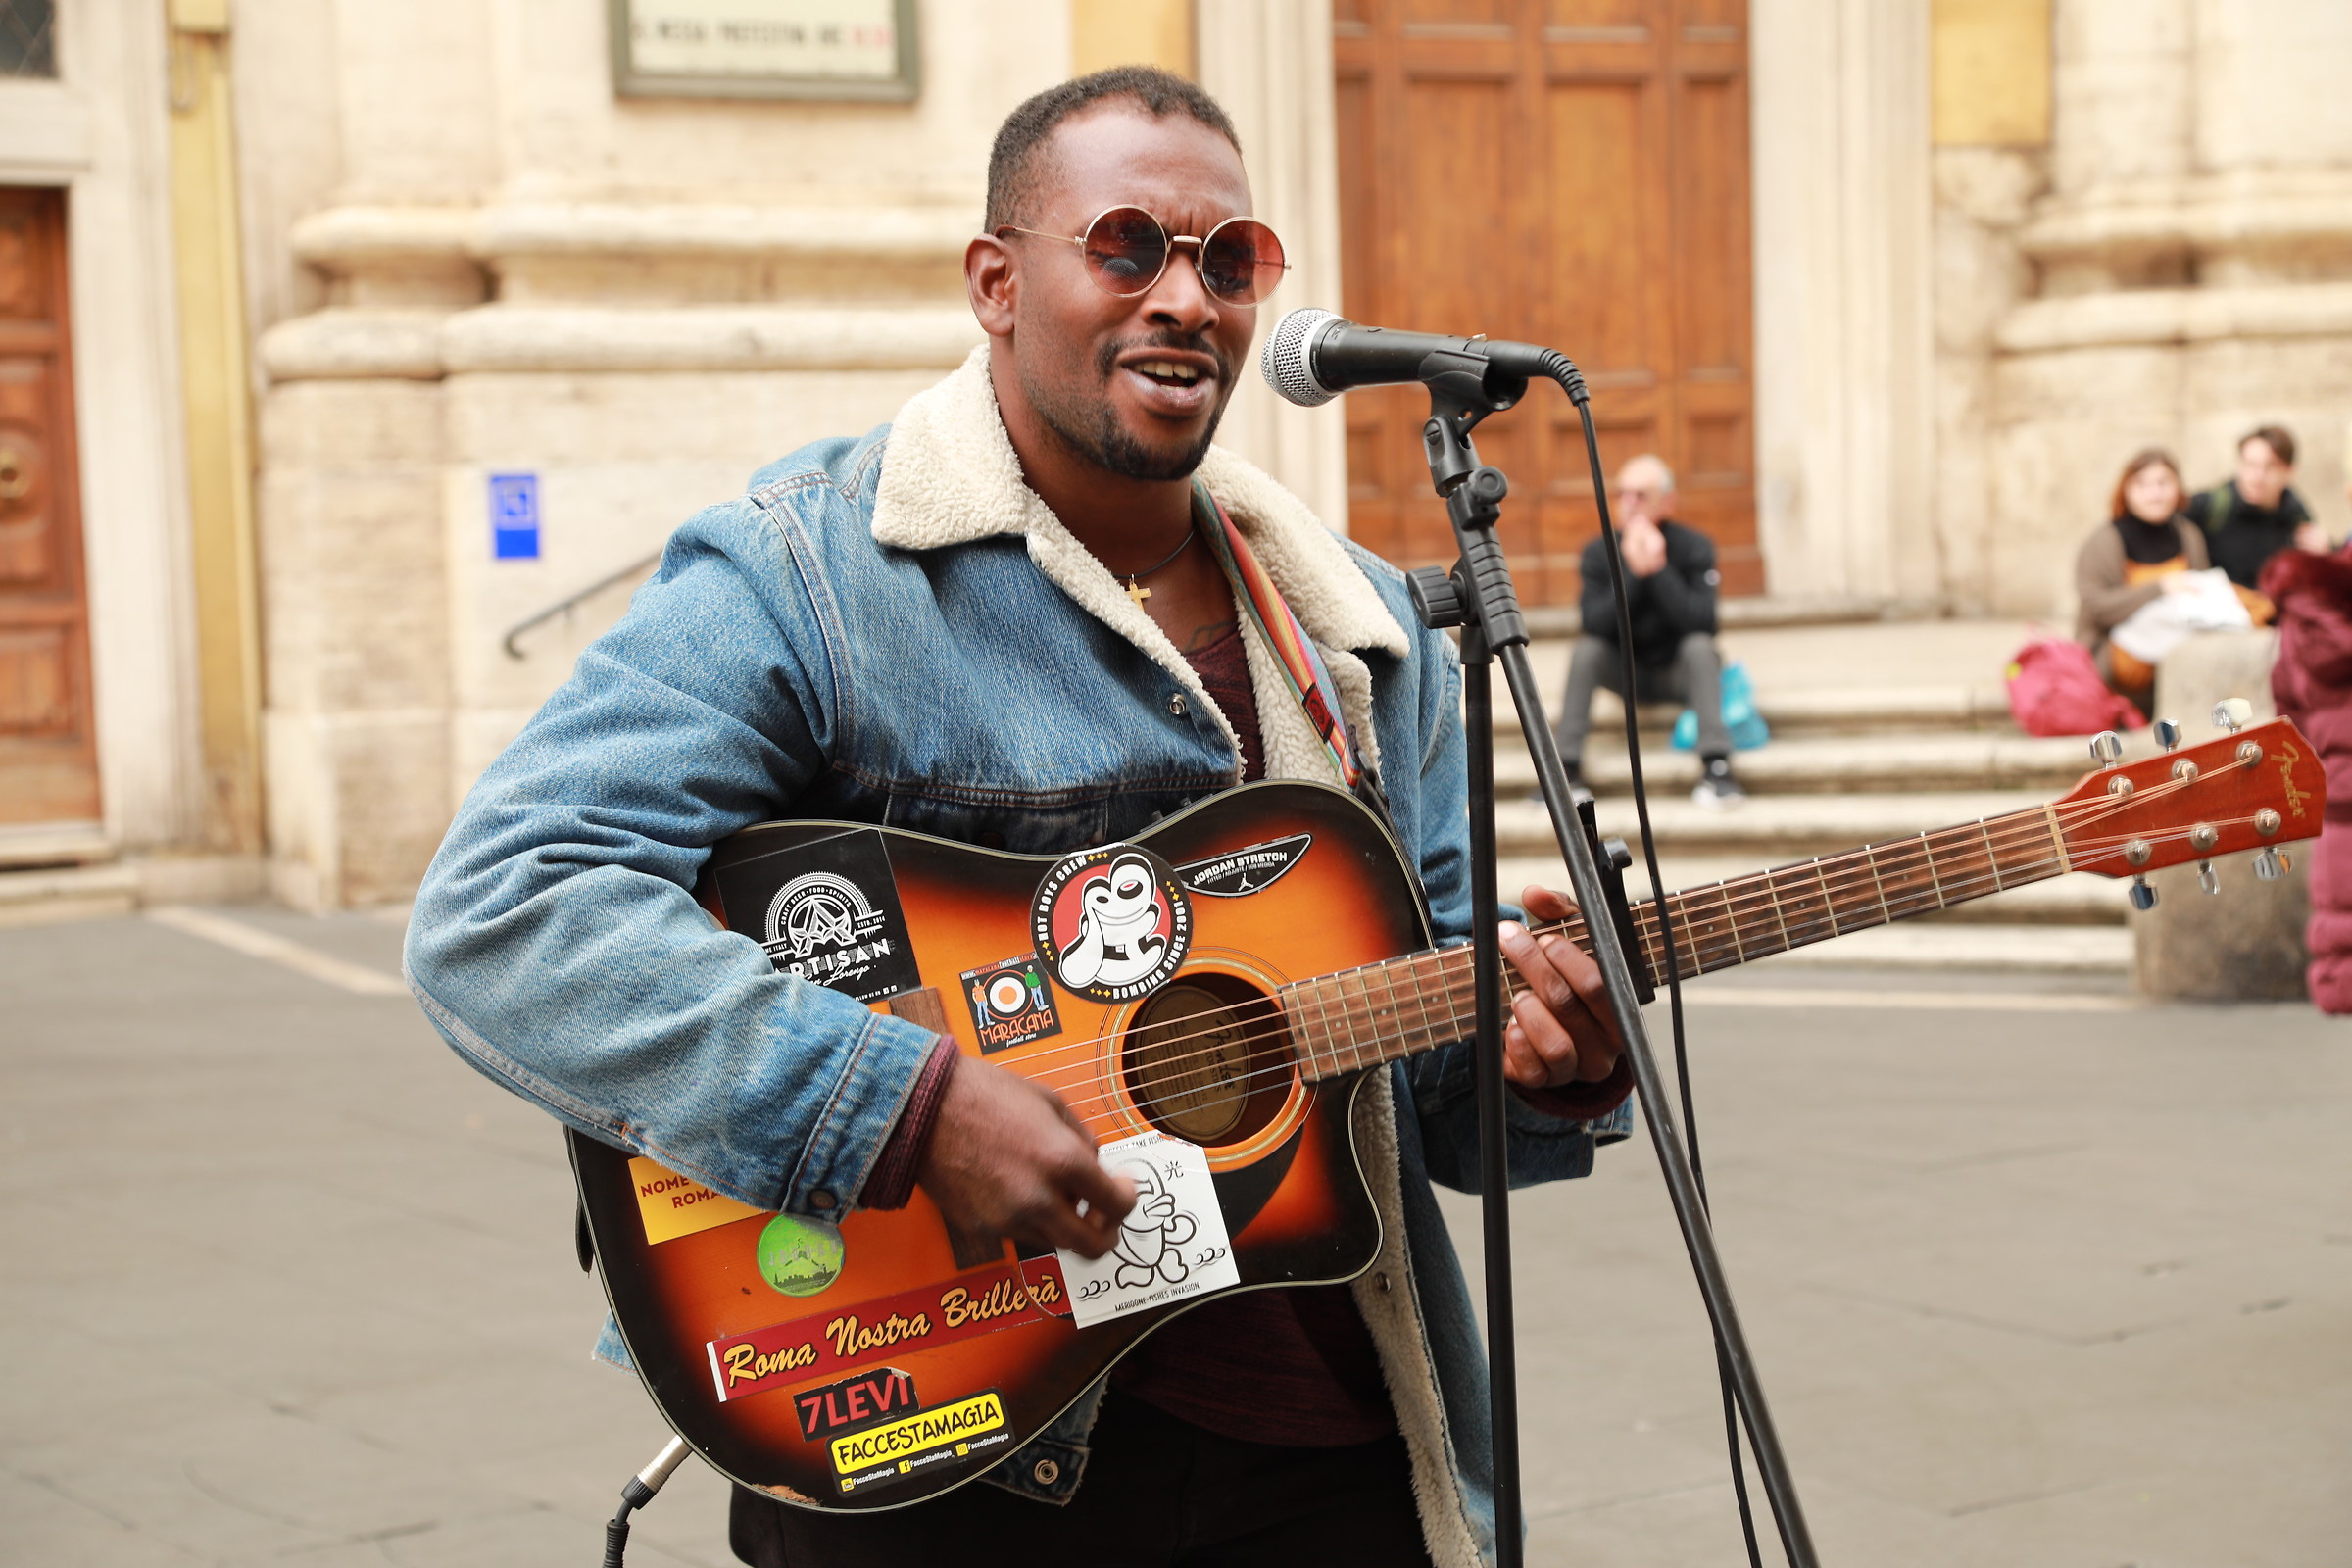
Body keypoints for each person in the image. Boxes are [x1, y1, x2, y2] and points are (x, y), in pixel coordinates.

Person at [405, 69, 1633, 1568]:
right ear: (996, 281)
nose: (1187, 296)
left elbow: (1422, 1078)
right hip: (957, 1450)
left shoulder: (1360, 629)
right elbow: (509, 906)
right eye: (1128, 246)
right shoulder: (815, 574)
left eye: (1228, 259)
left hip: (1335, 1450)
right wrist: (900, 1108)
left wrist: (1547, 1065)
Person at [1550, 454, 1744, 806]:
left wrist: (1659, 570)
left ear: (1666, 502)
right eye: (1622, 494)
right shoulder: (1599, 552)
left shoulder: (1694, 546)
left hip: (1678, 672)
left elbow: (1704, 621)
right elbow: (1594, 624)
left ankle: (1716, 767)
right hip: (1625, 673)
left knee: (1702, 648)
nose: (1628, 504)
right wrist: (1635, 576)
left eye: (1640, 495)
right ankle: (1566, 769)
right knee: (1585, 650)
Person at [2073, 447, 2212, 714]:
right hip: (2120, 664)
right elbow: (2098, 607)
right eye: (2143, 484)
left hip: (2178, 654)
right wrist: (2159, 588)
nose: (2155, 493)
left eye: (2163, 483)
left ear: (2177, 488)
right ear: (2126, 490)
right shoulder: (2104, 541)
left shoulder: (2189, 536)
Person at [2188, 423, 2327, 589]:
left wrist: (2325, 555)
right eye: (2251, 464)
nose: (2258, 476)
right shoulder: (2211, 506)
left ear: (2289, 471)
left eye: (2270, 466)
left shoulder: (2297, 517)